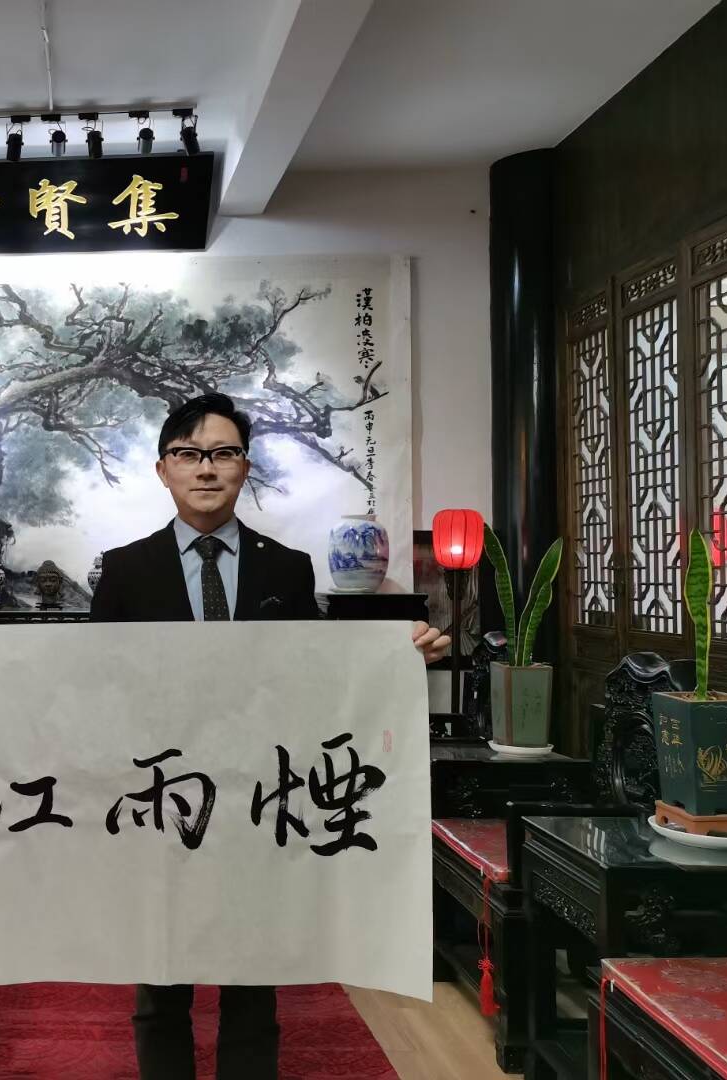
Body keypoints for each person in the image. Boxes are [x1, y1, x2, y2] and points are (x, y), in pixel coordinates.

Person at [90, 392, 449, 1080]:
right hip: (161, 801)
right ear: (163, 470)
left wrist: (395, 659)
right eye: (188, 454)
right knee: (161, 981)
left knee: (253, 981)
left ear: (244, 468)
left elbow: (314, 677)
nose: (206, 468)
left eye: (223, 453)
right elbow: (96, 688)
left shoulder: (286, 567)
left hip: (257, 798)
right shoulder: (126, 568)